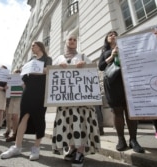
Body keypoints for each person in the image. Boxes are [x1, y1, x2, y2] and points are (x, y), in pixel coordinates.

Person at [51, 34, 101, 167]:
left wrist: (85, 65)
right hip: (65, 102)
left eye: (75, 40)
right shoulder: (59, 58)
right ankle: (72, 148)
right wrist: (57, 67)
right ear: (65, 42)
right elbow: (51, 76)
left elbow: (93, 71)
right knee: (69, 126)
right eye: (70, 39)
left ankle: (80, 152)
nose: (72, 41)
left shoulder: (83, 56)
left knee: (82, 124)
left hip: (82, 102)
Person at [0, 41, 52, 160]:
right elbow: (23, 75)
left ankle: (36, 148)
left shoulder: (47, 59)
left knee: (39, 117)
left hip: (41, 91)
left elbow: (48, 70)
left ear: (39, 46)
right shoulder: (29, 61)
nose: (32, 47)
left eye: (33, 45)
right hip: (28, 90)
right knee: (23, 116)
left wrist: (34, 71)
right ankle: (17, 146)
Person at [98, 30, 144, 153]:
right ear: (107, 39)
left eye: (115, 34)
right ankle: (121, 139)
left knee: (130, 111)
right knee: (117, 111)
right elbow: (101, 67)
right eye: (110, 35)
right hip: (113, 84)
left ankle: (133, 140)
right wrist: (112, 56)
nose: (113, 36)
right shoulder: (104, 52)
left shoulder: (126, 47)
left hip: (128, 82)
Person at [5, 69, 23, 142]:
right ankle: (15, 133)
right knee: (13, 117)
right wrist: (6, 88)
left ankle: (16, 134)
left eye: (18, 73)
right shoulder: (10, 80)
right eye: (15, 73)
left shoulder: (23, 79)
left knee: (15, 116)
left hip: (19, 98)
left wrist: (22, 84)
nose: (16, 74)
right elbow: (7, 90)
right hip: (12, 98)